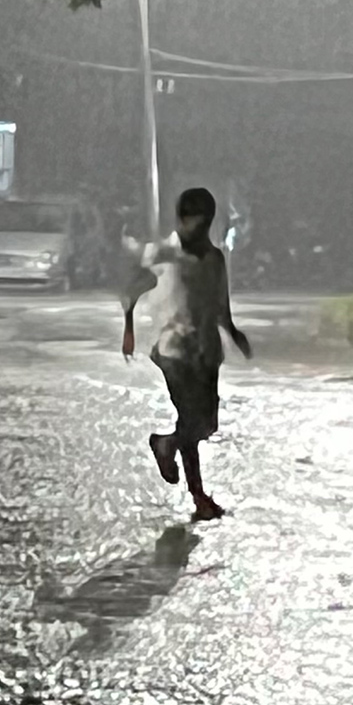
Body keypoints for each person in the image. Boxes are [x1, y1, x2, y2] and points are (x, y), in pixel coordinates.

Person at [121, 188, 252, 521]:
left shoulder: (215, 258)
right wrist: (129, 328)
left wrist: (233, 332)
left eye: (204, 220)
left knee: (207, 424)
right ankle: (198, 496)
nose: (198, 226)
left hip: (207, 349)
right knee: (190, 418)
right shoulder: (163, 253)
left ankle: (167, 445)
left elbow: (220, 303)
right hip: (173, 349)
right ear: (182, 219)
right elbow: (132, 289)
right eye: (192, 219)